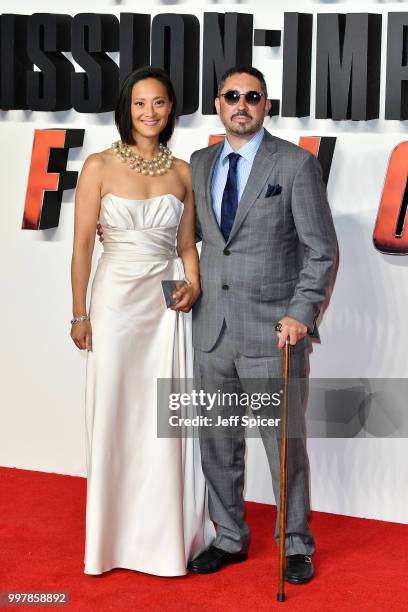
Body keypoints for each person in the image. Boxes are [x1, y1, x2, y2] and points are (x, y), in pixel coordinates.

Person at [181, 66, 338, 582]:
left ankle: (295, 542)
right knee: (216, 441)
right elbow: (190, 245)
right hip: (212, 333)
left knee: (283, 445)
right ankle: (228, 537)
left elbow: (321, 251)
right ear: (218, 104)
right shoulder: (200, 163)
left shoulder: (294, 165)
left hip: (275, 334)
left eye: (253, 96)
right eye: (232, 96)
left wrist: (301, 312)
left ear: (267, 105)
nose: (241, 104)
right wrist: (178, 291)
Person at [70, 66, 213, 577]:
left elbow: (185, 246)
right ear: (125, 109)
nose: (149, 112)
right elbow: (83, 246)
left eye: (159, 103)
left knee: (163, 419)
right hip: (113, 303)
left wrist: (192, 285)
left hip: (163, 302)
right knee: (115, 410)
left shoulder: (182, 171)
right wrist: (79, 313)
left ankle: (163, 533)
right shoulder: (99, 166)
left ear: (171, 108)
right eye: (139, 104)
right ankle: (111, 538)